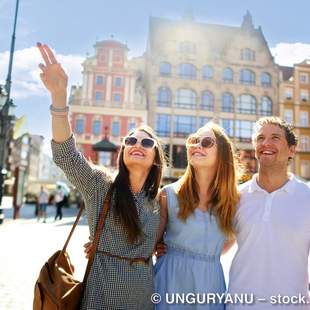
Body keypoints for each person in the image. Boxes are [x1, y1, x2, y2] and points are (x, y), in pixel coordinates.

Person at [37, 42, 165, 309]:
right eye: (130, 140)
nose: (137, 145)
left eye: (146, 142)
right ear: (122, 151)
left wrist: (164, 247)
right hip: (102, 293)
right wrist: (59, 98)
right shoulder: (100, 184)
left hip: (143, 296)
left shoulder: (161, 200)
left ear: (156, 158)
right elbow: (66, 155)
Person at [227, 117, 310, 309]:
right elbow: (217, 245)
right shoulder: (236, 196)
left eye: (275, 137)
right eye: (260, 138)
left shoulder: (307, 196)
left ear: (292, 149)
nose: (266, 143)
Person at [154, 123, 239, 309]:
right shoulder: (167, 194)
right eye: (193, 141)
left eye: (207, 142)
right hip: (169, 282)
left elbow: (227, 244)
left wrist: (204, 254)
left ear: (222, 154)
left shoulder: (234, 201)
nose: (197, 146)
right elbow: (150, 242)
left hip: (210, 284)